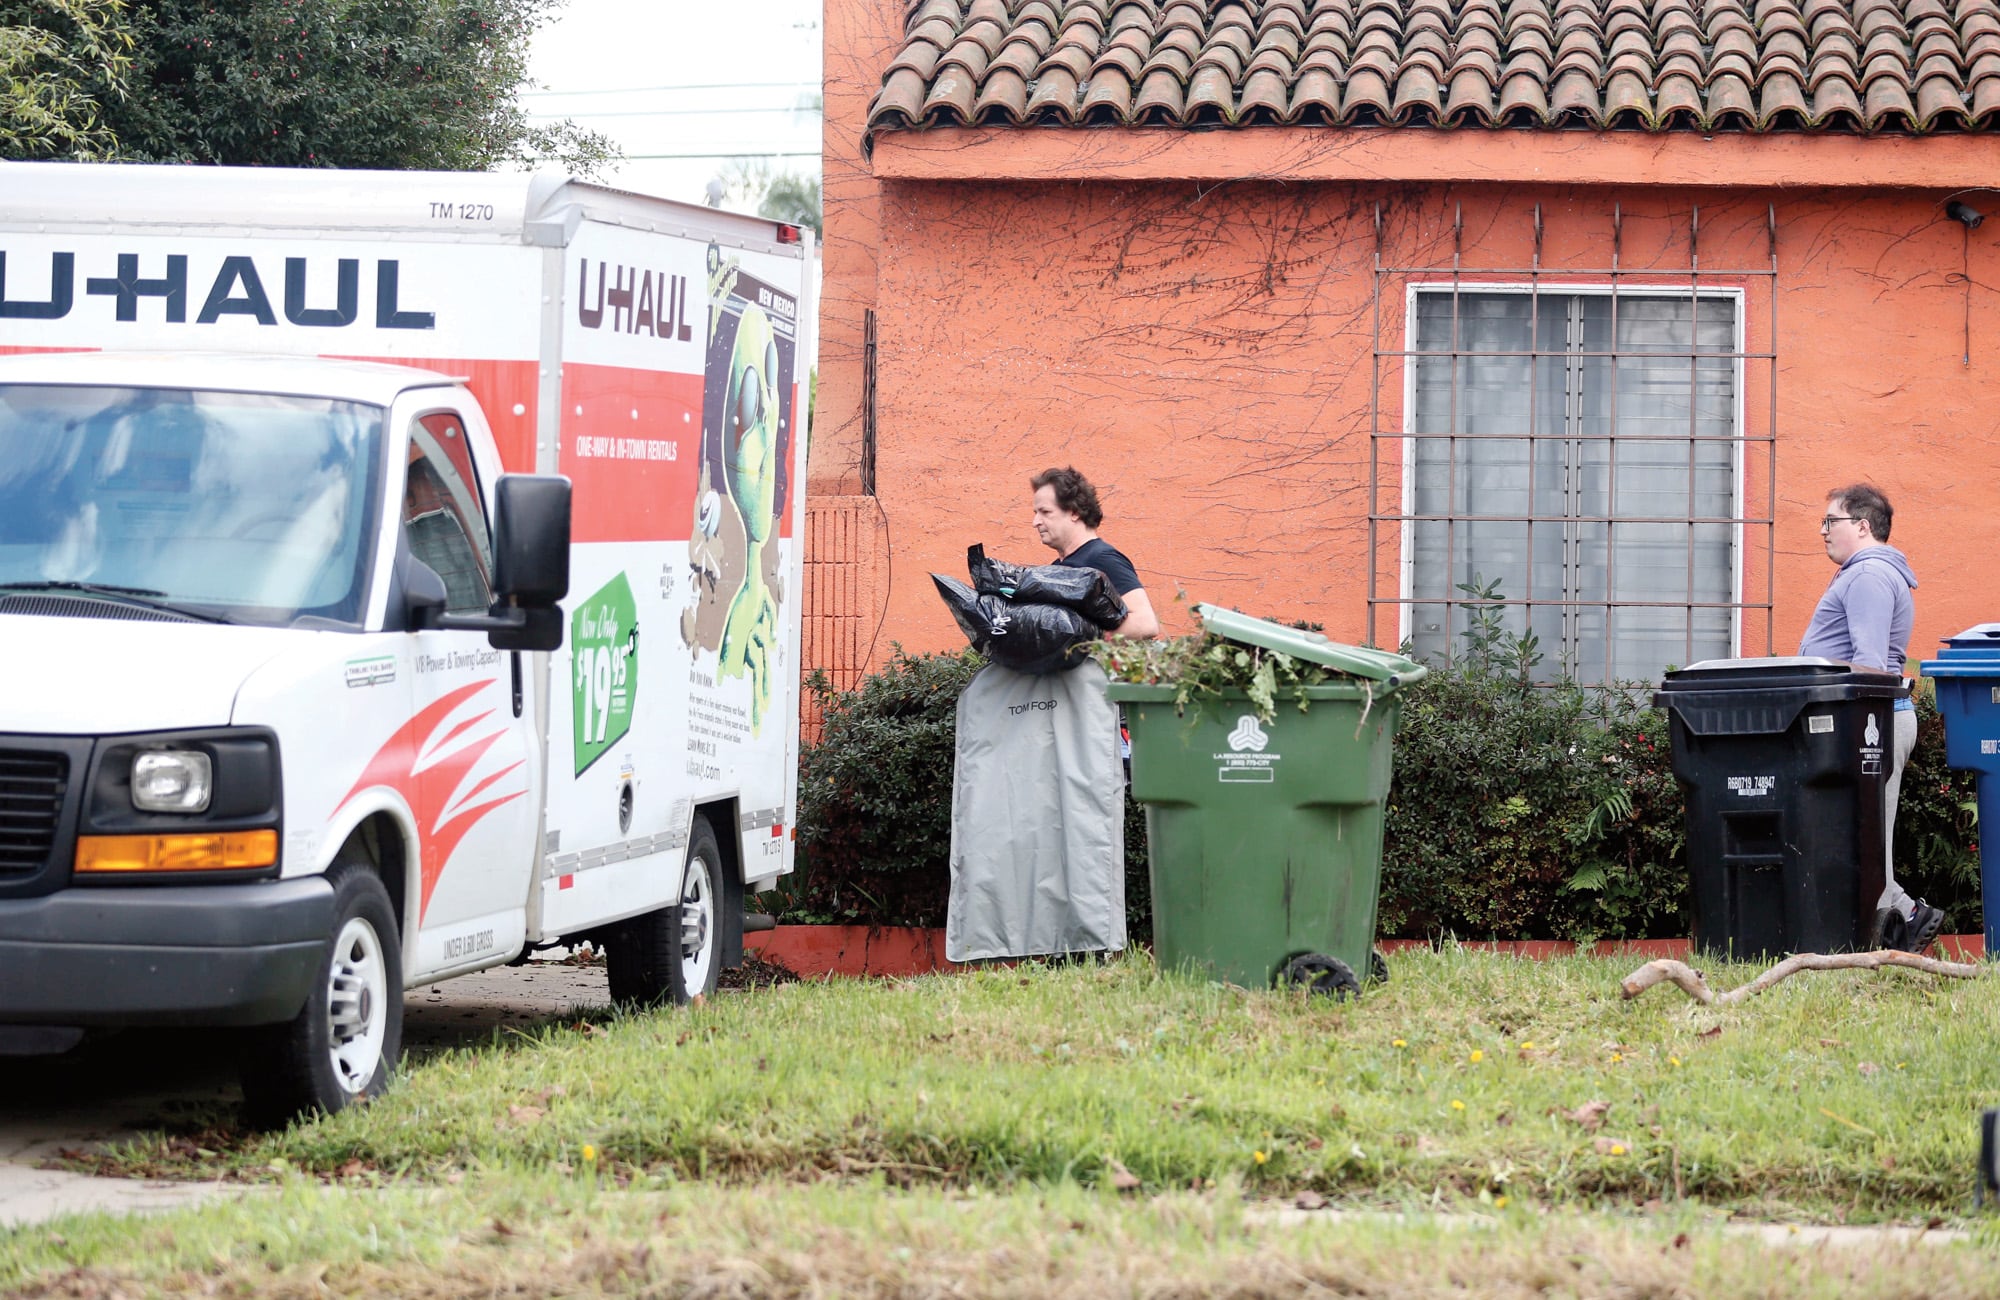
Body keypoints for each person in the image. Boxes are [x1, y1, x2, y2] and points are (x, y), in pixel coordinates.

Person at [1797, 483, 1937, 954]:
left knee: (1867, 849)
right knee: (1863, 844)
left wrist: (1811, 675)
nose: (1822, 531)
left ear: (1862, 525)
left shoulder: (1870, 576)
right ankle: (1894, 933)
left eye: (1830, 521)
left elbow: (1872, 667)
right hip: (1859, 724)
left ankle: (1907, 924)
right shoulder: (1864, 573)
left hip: (1867, 725)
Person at [1029, 466, 1160, 640]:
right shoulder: (1057, 567)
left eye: (1045, 512)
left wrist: (1084, 637)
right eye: (1036, 513)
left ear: (1073, 512)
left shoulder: (1103, 558)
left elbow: (1146, 623)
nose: (1035, 522)